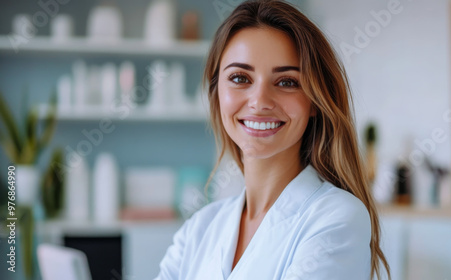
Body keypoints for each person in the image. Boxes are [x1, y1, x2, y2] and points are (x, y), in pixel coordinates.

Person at [155, 0, 390, 279]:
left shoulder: (337, 218)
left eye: (287, 82)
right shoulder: (199, 229)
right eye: (240, 78)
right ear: (217, 93)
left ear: (315, 101)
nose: (259, 102)